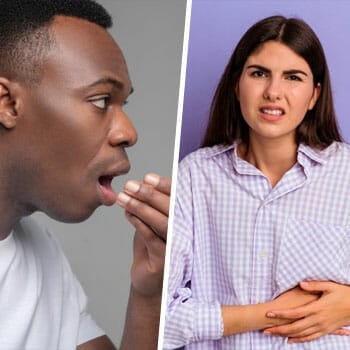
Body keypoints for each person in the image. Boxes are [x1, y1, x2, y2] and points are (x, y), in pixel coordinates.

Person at [164, 15, 350, 349]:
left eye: (293, 77)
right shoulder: (195, 178)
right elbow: (162, 320)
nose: (273, 92)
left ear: (314, 96)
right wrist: (270, 313)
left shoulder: (346, 175)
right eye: (259, 73)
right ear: (237, 84)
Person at [0, 0, 171, 349]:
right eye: (100, 100)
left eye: (124, 105)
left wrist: (149, 292)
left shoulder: (42, 253)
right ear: (7, 103)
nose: (128, 132)